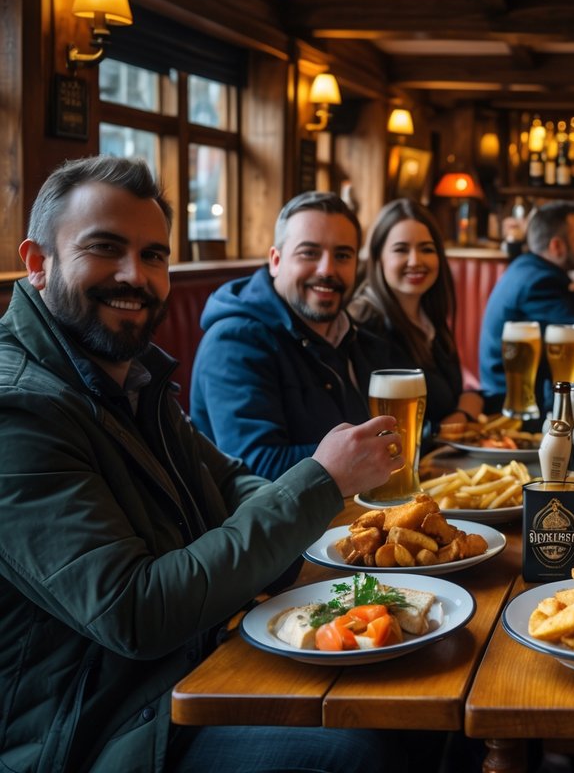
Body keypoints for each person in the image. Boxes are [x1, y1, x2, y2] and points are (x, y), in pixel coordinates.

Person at [0, 156, 404, 771]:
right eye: (105, 248)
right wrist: (320, 481)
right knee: (354, 749)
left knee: (408, 688)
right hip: (95, 733)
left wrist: (298, 520)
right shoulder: (18, 409)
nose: (134, 275)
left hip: (194, 672)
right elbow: (137, 611)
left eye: (154, 255)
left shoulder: (130, 379)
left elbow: (231, 481)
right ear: (37, 263)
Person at [191, 191, 391, 479]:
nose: (327, 269)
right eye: (309, 253)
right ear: (276, 260)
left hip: (351, 512)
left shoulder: (353, 334)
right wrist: (365, 454)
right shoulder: (235, 341)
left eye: (342, 255)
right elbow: (257, 467)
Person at [348, 197, 483, 433]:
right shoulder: (365, 325)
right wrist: (461, 415)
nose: (415, 261)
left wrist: (467, 404)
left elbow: (461, 395)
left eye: (426, 249)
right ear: (378, 257)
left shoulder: (429, 318)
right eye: (401, 249)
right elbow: (388, 427)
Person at [479, 201, 574, 418]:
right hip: (513, 412)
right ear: (556, 246)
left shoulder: (528, 269)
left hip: (519, 401)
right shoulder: (540, 283)